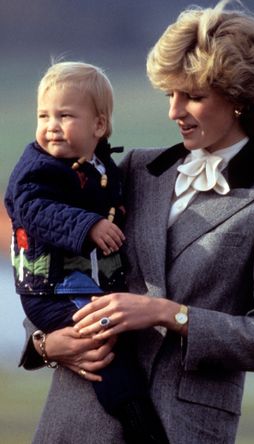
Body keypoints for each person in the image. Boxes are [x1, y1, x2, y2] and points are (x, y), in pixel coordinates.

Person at [18, 1, 254, 443]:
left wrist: (170, 314)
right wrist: (45, 343)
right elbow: (48, 256)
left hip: (181, 428)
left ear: (237, 98)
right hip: (76, 419)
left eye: (192, 96)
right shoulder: (133, 169)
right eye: (170, 94)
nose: (174, 112)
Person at [4, 61, 169, 444]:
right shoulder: (36, 169)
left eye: (64, 115)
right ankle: (134, 415)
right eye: (43, 115)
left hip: (79, 281)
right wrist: (87, 225)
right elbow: (33, 209)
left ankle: (131, 402)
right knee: (103, 340)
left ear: (98, 126)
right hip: (50, 287)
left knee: (112, 332)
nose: (51, 125)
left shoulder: (98, 164)